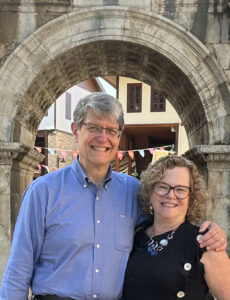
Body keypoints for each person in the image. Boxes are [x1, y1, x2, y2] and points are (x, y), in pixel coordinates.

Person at [0, 93, 227, 300]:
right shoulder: (43, 192)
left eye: (111, 131)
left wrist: (211, 233)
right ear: (76, 130)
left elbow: (168, 220)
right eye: (94, 128)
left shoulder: (132, 191)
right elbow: (18, 270)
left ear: (119, 137)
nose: (103, 138)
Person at [123, 155, 230, 300]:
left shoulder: (205, 242)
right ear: (150, 192)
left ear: (191, 197)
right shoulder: (135, 234)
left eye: (180, 189)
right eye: (162, 187)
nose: (171, 195)